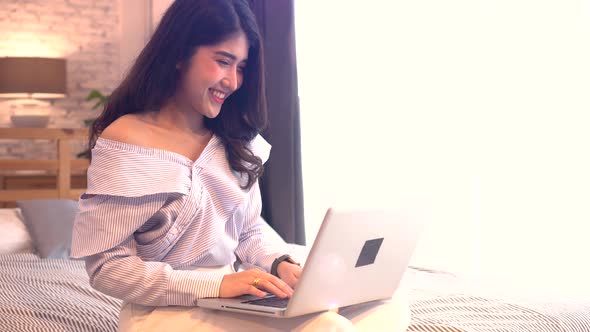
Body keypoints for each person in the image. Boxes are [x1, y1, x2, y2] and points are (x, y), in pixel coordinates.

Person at [71, 0, 410, 330]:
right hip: (162, 310)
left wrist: (279, 263)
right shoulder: (127, 140)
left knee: (386, 306)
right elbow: (107, 267)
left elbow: (248, 230)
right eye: (223, 61)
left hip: (233, 299)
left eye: (241, 67)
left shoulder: (233, 139)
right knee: (327, 326)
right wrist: (216, 287)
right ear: (179, 53)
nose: (233, 82)